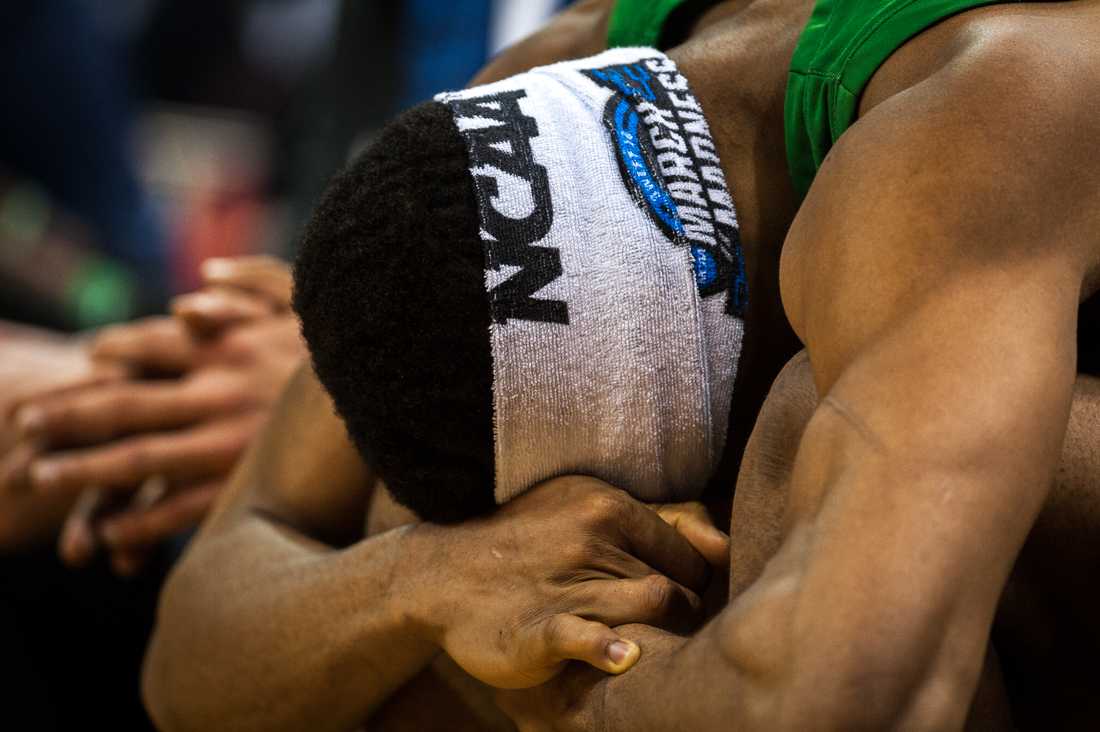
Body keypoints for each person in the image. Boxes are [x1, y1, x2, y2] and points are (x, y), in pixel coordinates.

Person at [145, 0, 1099, 730]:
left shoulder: (973, 133)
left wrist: (550, 679)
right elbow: (185, 657)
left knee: (797, 443)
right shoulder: (552, 77)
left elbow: (861, 697)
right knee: (399, 542)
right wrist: (425, 583)